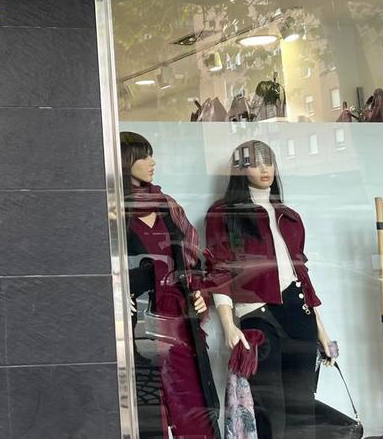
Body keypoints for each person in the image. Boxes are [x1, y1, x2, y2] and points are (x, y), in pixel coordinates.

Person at [205, 140, 335, 439]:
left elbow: (301, 274)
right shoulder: (224, 213)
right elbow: (220, 270)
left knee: (302, 403)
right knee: (267, 406)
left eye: (269, 161)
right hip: (258, 318)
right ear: (240, 169)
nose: (265, 168)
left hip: (298, 314)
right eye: (255, 162)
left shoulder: (289, 215)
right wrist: (228, 324)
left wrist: (323, 332)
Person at [121, 132, 218, 439]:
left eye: (151, 155)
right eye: (143, 156)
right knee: (150, 409)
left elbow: (193, 256)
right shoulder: (110, 209)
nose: (152, 163)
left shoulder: (166, 204)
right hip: (139, 324)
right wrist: (116, 296)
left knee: (193, 405)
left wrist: (198, 292)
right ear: (124, 162)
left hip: (178, 319)